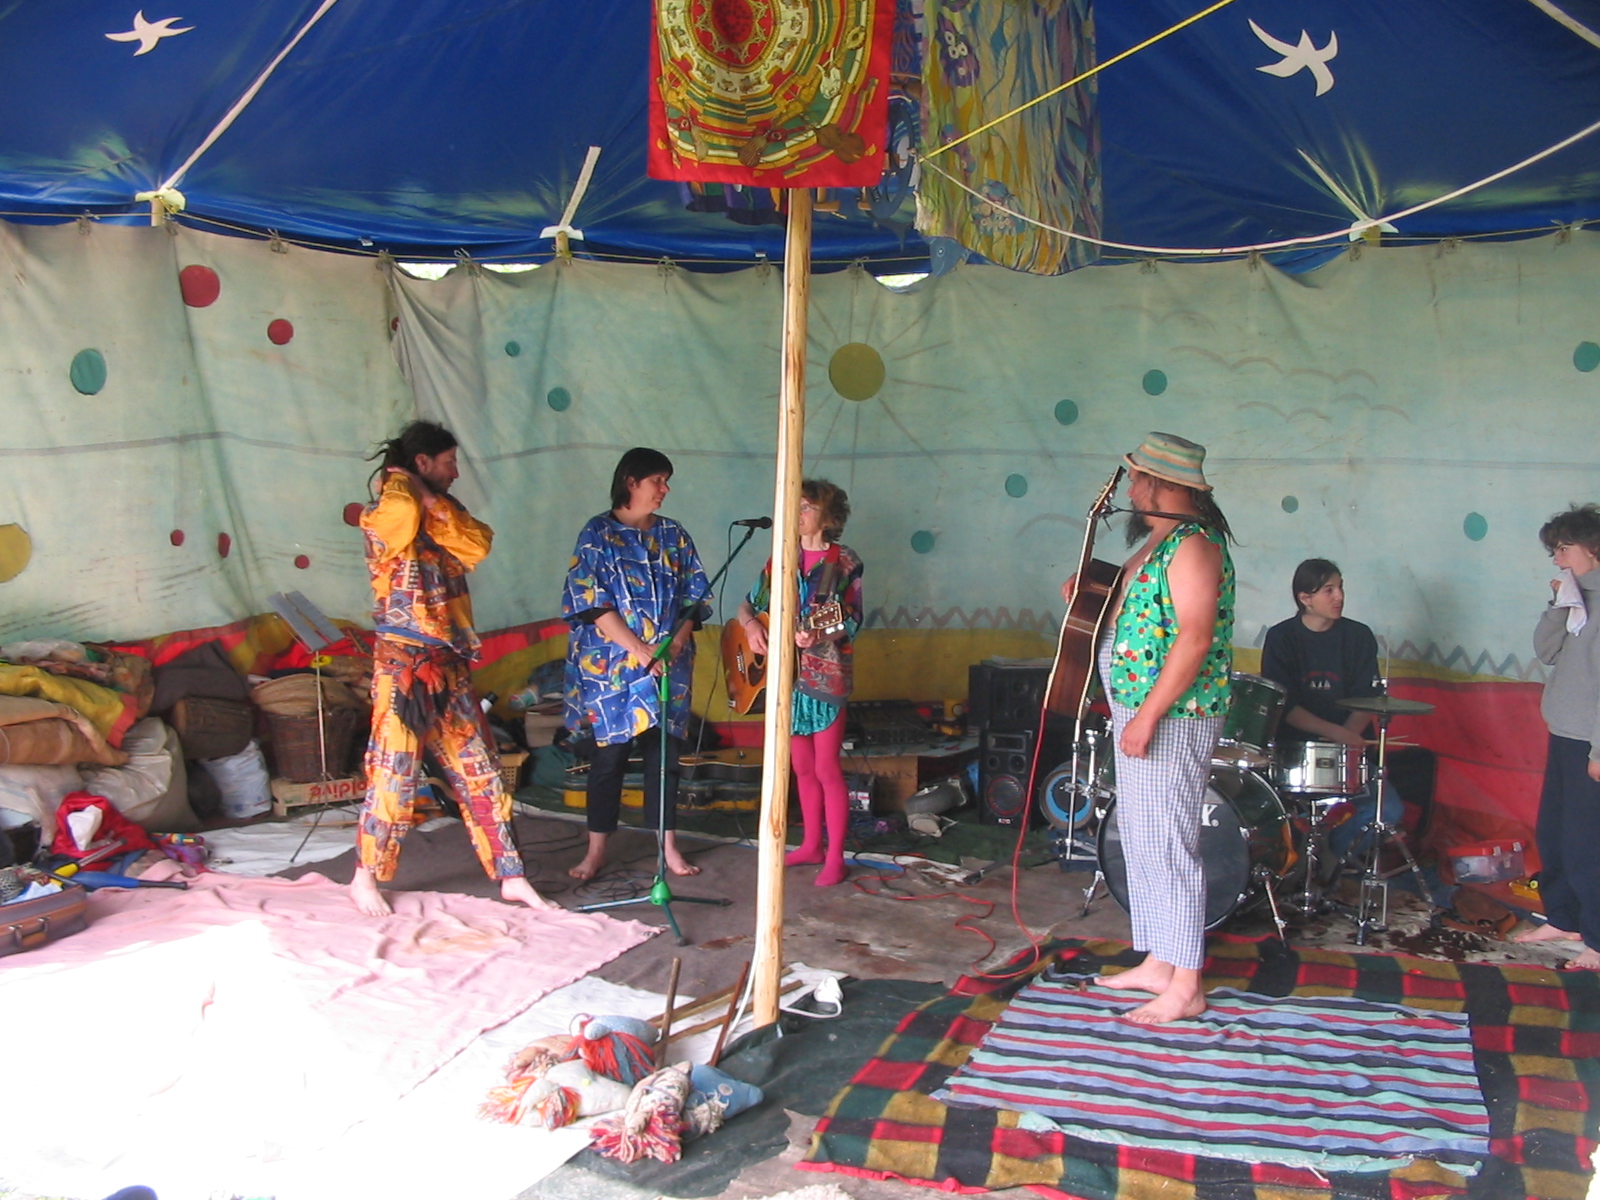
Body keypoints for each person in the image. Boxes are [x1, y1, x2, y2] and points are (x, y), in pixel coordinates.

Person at [350, 420, 553, 916]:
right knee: (394, 775)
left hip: (450, 665)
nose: (456, 472)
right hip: (403, 668)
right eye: (448, 462)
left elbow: (476, 544)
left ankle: (511, 876)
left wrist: (426, 493)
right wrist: (401, 481)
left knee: (482, 771)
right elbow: (401, 513)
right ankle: (364, 876)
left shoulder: (442, 510)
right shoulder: (385, 511)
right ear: (421, 462)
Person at [1078, 432, 1235, 1023]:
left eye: (1138, 479)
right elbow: (1131, 605)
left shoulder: (1195, 545)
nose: (1132, 490)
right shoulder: (1159, 540)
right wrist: (1090, 593)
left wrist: (1146, 716)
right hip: (1139, 707)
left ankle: (1187, 983)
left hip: (1174, 714)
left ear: (1164, 484)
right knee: (1141, 838)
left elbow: (1194, 638)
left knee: (1169, 842)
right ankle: (1160, 961)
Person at [562, 447, 710, 882]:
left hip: (669, 664)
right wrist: (640, 650)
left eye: (666, 481)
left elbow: (694, 598)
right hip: (612, 667)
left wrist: (675, 642)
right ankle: (595, 850)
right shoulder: (597, 534)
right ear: (631, 482)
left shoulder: (673, 535)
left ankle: (668, 847)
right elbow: (590, 602)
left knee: (664, 757)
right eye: (657, 481)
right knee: (609, 758)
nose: (665, 489)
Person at [734, 480, 865, 887]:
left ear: (829, 517)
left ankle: (836, 856)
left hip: (826, 677)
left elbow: (853, 619)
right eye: (797, 506)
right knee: (801, 767)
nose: (798, 513)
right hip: (784, 678)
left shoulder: (844, 560)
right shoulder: (781, 558)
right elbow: (747, 605)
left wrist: (818, 634)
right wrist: (751, 625)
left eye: (807, 506)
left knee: (826, 768)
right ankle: (811, 845)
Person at [1260, 559, 1402, 864]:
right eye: (1329, 590)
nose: (1339, 596)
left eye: (1340, 588)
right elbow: (1284, 705)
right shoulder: (1281, 637)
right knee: (1278, 813)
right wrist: (1336, 734)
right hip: (1294, 753)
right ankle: (1299, 865)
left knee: (1387, 810)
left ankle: (1332, 863)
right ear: (1305, 598)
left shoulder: (1359, 635)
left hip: (1350, 755)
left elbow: (1367, 696)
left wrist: (1347, 740)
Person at [1514, 503, 1600, 969]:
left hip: (1592, 740)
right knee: (1554, 834)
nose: (1557, 559)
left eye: (1564, 549)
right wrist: (1558, 606)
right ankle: (1564, 917)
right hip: (1564, 731)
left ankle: (1599, 938)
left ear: (1594, 549)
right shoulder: (1577, 598)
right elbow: (1546, 651)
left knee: (1588, 844)